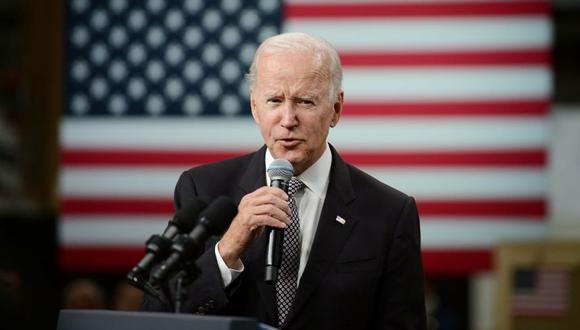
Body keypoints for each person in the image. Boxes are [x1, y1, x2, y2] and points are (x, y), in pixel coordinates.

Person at [141, 32, 427, 330]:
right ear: (255, 106)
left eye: (305, 101)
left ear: (336, 109)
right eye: (275, 100)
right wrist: (228, 249)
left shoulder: (389, 212)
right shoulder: (203, 190)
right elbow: (154, 314)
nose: (288, 119)